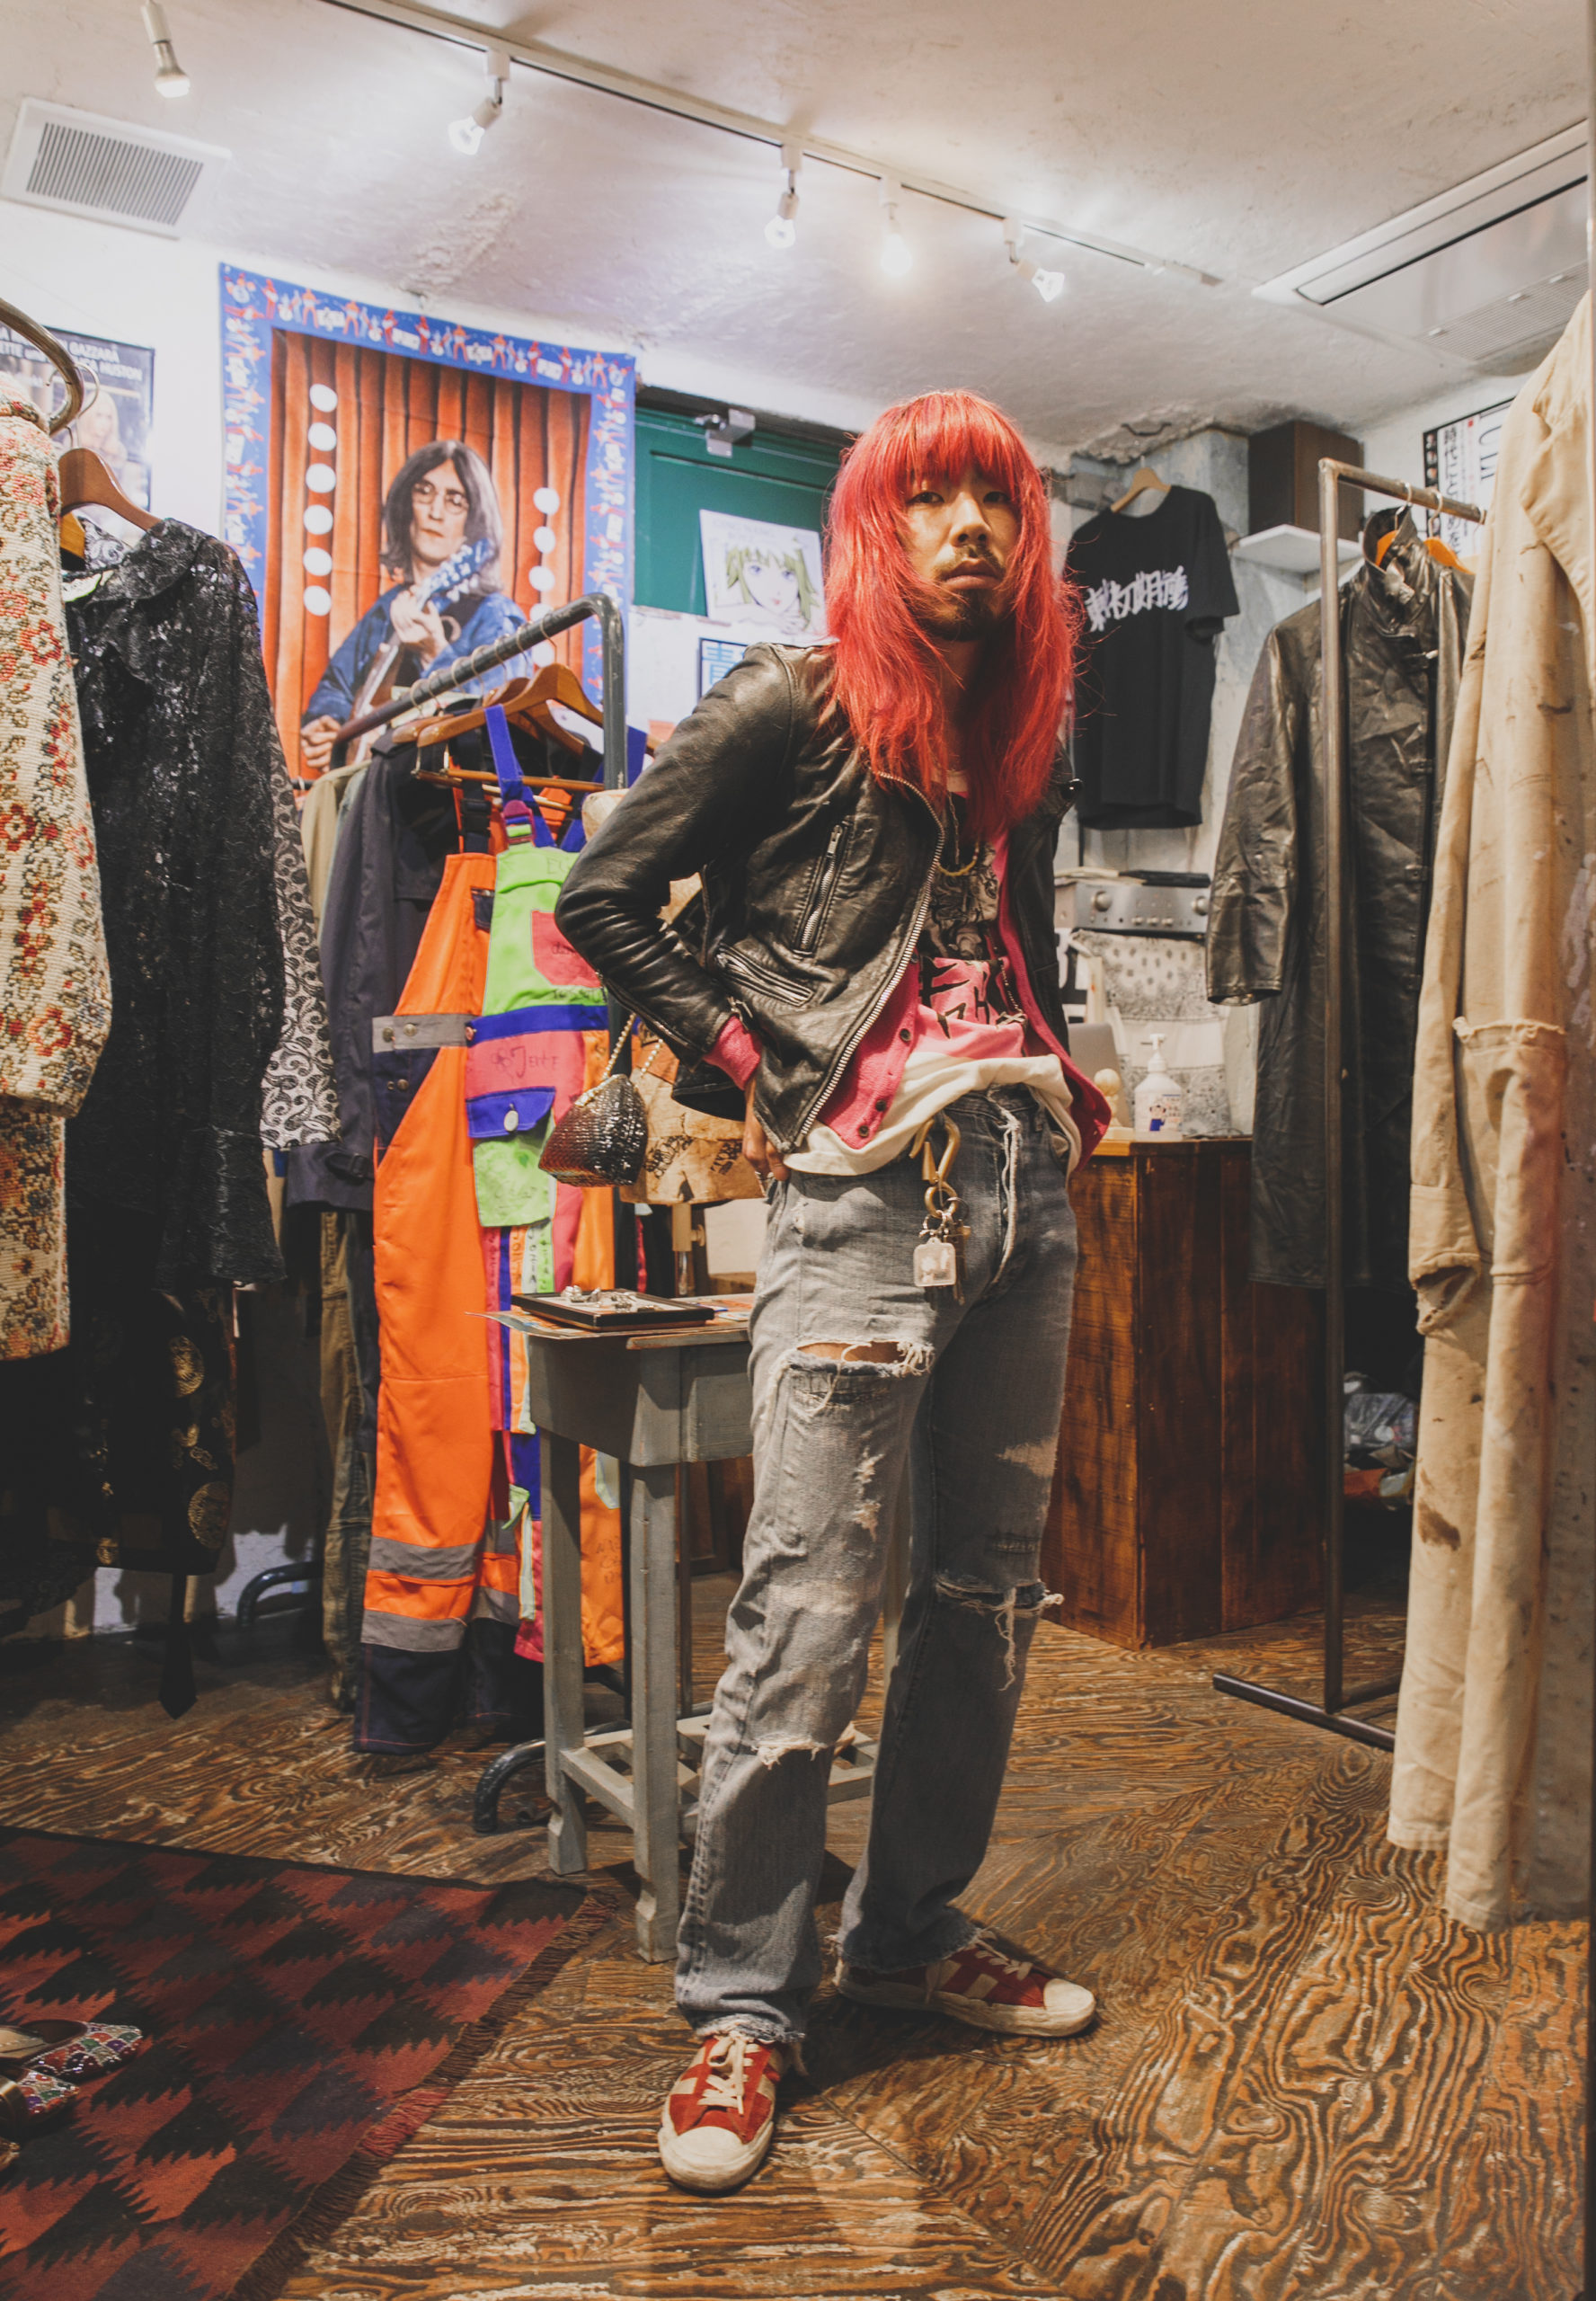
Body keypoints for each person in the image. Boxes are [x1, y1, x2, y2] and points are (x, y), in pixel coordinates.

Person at [557, 388, 1113, 2197]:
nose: (970, 528)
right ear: (875, 527)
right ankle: (741, 1995)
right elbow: (603, 894)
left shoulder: (1013, 727)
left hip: (1021, 1181)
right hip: (860, 1200)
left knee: (985, 1597)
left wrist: (1062, 1077)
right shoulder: (788, 703)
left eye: (996, 500)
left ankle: (909, 1925)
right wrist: (755, 1060)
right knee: (805, 1612)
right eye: (929, 496)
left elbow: (996, 937)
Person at [298, 439, 528, 776]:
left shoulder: (496, 616)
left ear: (475, 521)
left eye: (455, 501)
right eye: (424, 492)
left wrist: (435, 653)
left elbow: (503, 723)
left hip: (445, 793)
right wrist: (328, 723)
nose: (436, 512)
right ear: (406, 506)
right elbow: (337, 683)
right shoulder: (389, 607)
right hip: (371, 784)